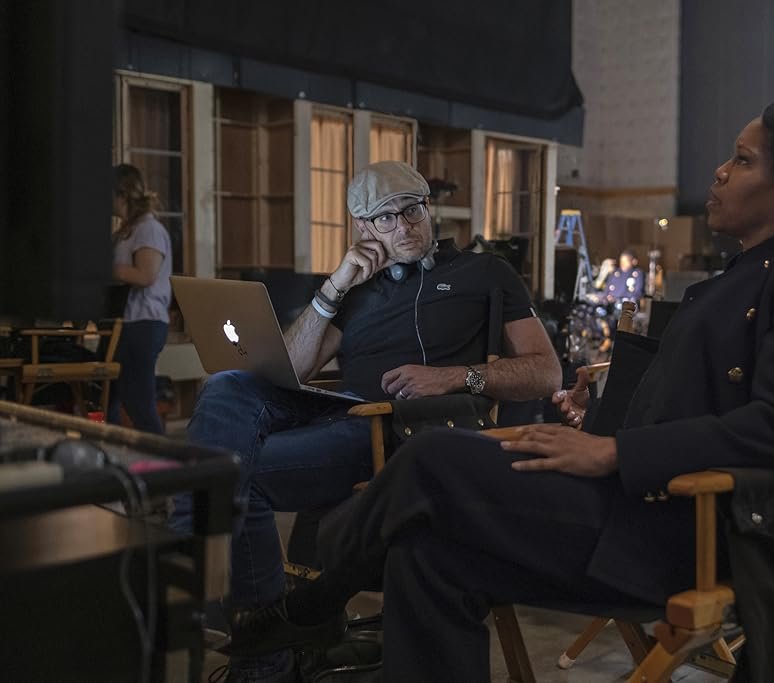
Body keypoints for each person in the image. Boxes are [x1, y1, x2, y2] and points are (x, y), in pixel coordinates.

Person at [229, 100, 774, 681]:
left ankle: (314, 602)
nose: (721, 171)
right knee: (424, 557)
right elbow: (701, 394)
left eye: (743, 159)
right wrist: (606, 409)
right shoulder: (747, 273)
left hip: (686, 528)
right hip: (636, 500)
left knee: (433, 457)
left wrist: (614, 451)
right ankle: (324, 595)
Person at [173, 160, 561, 681]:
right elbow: (292, 371)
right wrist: (334, 287)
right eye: (385, 218)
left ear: (428, 208)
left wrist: (453, 377)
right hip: (343, 412)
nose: (404, 227)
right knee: (226, 384)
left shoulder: (485, 273)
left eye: (412, 210)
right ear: (362, 227)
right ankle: (193, 543)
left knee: (241, 476)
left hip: (403, 427)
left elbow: (546, 372)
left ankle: (258, 654)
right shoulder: (358, 288)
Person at [109, 164, 172, 433]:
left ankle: (160, 457)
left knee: (139, 404)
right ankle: (114, 451)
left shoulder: (149, 229)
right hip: (126, 323)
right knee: (110, 398)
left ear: (121, 194)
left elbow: (146, 275)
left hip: (144, 322)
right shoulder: (128, 230)